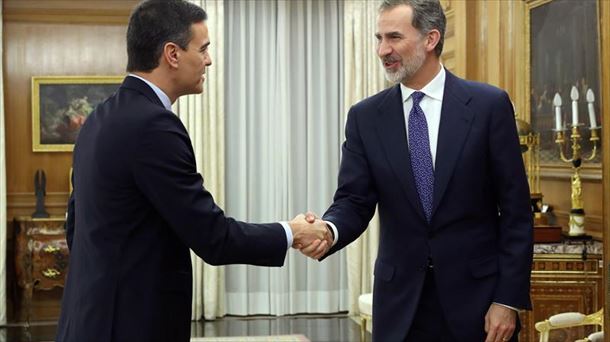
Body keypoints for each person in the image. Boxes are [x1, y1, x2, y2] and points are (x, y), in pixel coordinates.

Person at [56, 1, 329, 341]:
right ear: (172, 53)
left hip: (87, 320)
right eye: (203, 49)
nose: (209, 60)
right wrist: (292, 232)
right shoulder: (153, 125)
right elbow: (213, 238)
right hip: (130, 325)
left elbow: (75, 222)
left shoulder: (100, 117)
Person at [301, 1, 533, 341]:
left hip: (479, 304)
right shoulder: (366, 117)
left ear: (430, 38)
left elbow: (516, 213)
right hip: (401, 307)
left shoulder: (488, 106)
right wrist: (329, 229)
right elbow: (354, 200)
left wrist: (507, 299)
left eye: (394, 37)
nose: (383, 50)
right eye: (379, 38)